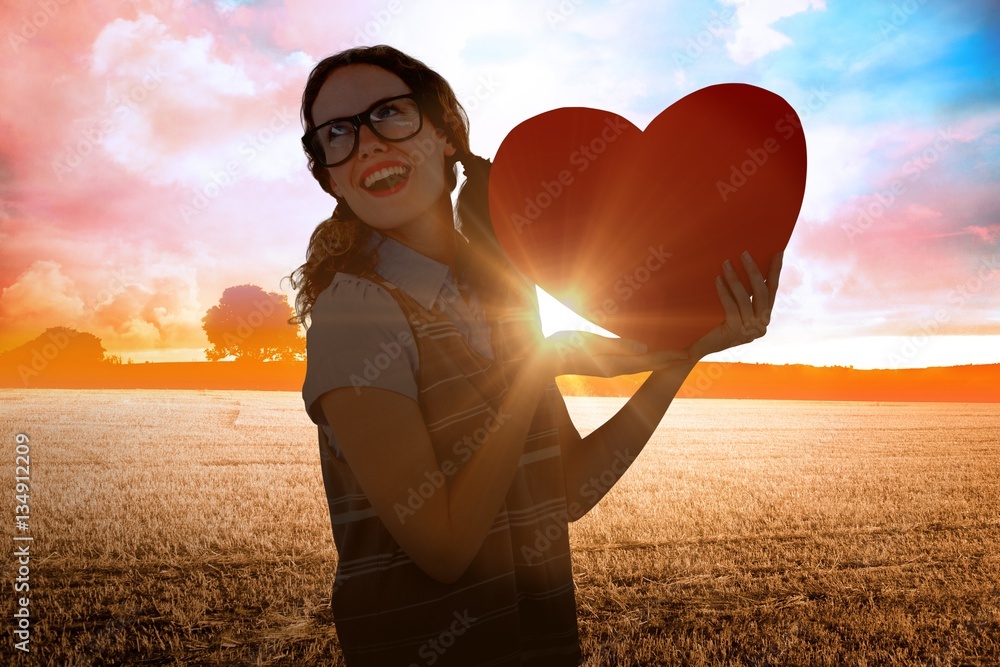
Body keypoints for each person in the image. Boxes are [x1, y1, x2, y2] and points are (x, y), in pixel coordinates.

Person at [286, 45, 781, 666]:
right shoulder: (354, 312)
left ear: (444, 133)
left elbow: (567, 488)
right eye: (336, 134)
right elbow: (443, 548)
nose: (365, 145)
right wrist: (533, 372)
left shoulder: (502, 292)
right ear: (329, 174)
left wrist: (680, 361)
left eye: (389, 113)